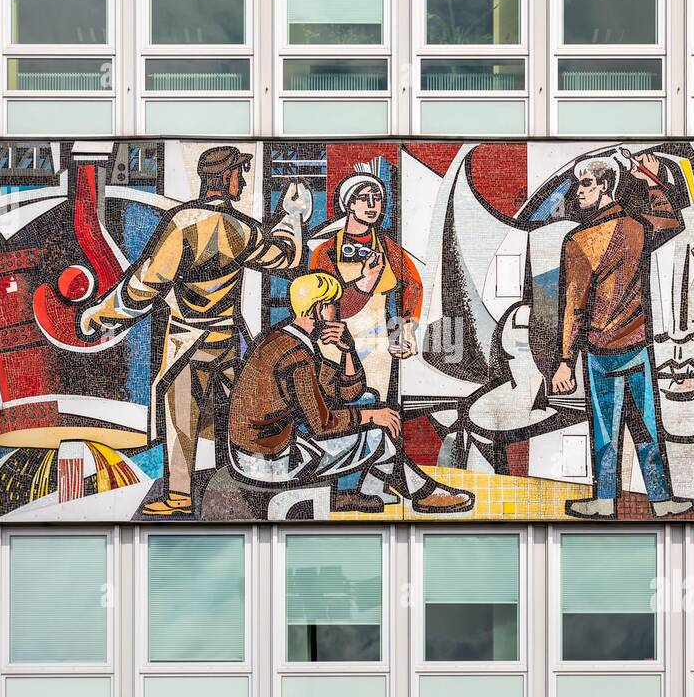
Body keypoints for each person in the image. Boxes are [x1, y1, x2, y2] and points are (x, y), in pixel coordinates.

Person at [80, 145, 311, 516]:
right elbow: (287, 258)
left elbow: (144, 285)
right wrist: (293, 217)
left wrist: (101, 316)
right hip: (228, 343)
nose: (243, 182)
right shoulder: (242, 228)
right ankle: (233, 488)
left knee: (180, 422)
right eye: (241, 174)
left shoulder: (182, 223)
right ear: (228, 176)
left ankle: (180, 496)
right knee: (233, 417)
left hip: (186, 342)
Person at [227, 272, 474, 515]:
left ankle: (358, 490)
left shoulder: (287, 340)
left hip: (267, 446)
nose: (339, 312)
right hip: (269, 461)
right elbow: (322, 424)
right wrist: (372, 417)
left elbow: (349, 391)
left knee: (368, 399)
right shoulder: (296, 356)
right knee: (377, 432)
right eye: (334, 305)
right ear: (319, 309)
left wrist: (348, 349)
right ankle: (420, 493)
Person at [551, 149, 694, 518]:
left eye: (585, 184)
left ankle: (603, 501)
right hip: (637, 344)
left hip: (600, 350)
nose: (577, 192)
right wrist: (648, 178)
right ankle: (661, 502)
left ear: (604, 186)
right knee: (647, 427)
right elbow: (671, 219)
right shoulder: (637, 226)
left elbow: (574, 307)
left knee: (606, 431)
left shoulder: (579, 241)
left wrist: (565, 361)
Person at [308, 171, 423, 400]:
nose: (372, 204)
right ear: (349, 204)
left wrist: (405, 327)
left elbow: (413, 285)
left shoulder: (387, 246)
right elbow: (326, 305)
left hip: (377, 343)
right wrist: (366, 281)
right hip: (335, 342)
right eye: (363, 198)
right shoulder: (325, 250)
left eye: (377, 198)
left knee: (377, 399)